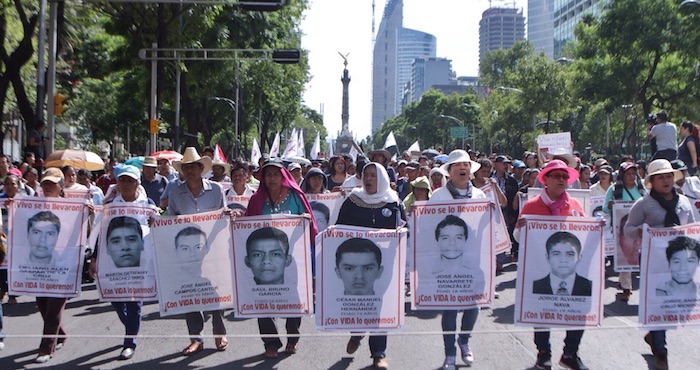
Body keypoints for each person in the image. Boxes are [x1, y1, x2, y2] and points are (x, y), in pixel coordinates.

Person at [624, 159, 700, 370]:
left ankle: (654, 335)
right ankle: (661, 350)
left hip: (682, 261)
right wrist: (639, 231)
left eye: (669, 176)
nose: (666, 181)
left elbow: (695, 228)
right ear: (652, 182)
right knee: (659, 301)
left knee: (678, 303)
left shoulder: (684, 202)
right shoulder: (643, 204)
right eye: (661, 177)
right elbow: (627, 229)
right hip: (653, 262)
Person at [516, 159, 589, 370]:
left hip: (570, 269)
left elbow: (584, 235)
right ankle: (543, 353)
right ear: (545, 180)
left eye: (565, 176)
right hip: (541, 267)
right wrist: (521, 228)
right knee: (541, 308)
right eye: (556, 176)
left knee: (578, 307)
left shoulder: (574, 205)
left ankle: (570, 353)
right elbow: (519, 238)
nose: (561, 180)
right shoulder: (531, 206)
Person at [336, 161, 406, 370]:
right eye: (366, 175)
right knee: (360, 302)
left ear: (382, 178)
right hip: (357, 265)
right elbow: (339, 227)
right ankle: (356, 334)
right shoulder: (353, 200)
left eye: (374, 175)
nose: (368, 179)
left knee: (379, 306)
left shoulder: (393, 202)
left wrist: (401, 234)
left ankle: (378, 354)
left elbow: (405, 227)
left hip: (383, 265)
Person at [245, 159, 318, 358]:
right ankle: (270, 342)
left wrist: (305, 219)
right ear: (262, 177)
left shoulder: (296, 196)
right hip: (264, 261)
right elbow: (246, 228)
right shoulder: (256, 200)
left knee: (293, 296)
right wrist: (236, 218)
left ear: (283, 175)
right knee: (263, 297)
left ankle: (293, 336)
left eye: (276, 174)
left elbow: (310, 226)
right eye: (268, 174)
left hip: (293, 257)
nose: (272, 178)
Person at [166, 147, 228, 356]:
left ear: (201, 168)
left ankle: (219, 332)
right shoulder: (175, 193)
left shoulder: (217, 190)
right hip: (188, 253)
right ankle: (196, 338)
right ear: (182, 171)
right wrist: (157, 224)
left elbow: (224, 216)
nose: (190, 171)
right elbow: (170, 221)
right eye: (186, 168)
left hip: (212, 251)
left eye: (193, 167)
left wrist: (227, 215)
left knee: (215, 291)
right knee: (190, 293)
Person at [90, 164, 154, 360]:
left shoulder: (148, 204)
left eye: (130, 180)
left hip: (140, 263)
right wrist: (93, 258)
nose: (126, 184)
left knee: (135, 302)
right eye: (122, 180)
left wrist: (156, 222)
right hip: (114, 263)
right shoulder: (110, 206)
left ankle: (130, 341)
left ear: (137, 183)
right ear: (117, 184)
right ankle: (130, 326)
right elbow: (100, 233)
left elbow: (160, 226)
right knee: (116, 299)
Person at [429, 150, 485, 370]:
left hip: (474, 259)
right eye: (457, 166)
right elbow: (430, 227)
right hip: (447, 261)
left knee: (474, 305)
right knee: (450, 308)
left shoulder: (480, 196)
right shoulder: (438, 196)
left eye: (466, 165)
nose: (463, 168)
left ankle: (465, 340)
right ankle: (449, 354)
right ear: (449, 172)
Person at [30, 168, 69, 363]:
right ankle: (60, 334)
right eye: (45, 183)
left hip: (61, 267)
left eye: (52, 184)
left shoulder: (72, 208)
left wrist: (86, 215)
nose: (47, 187)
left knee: (54, 308)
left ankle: (46, 348)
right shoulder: (32, 206)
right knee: (43, 306)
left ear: (61, 187)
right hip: (40, 268)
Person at [604, 162, 645, 302]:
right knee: (625, 256)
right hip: (622, 229)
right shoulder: (614, 189)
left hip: (640, 228)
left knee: (641, 256)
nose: (631, 177)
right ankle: (626, 288)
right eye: (628, 174)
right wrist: (610, 206)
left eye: (634, 174)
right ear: (622, 175)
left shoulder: (641, 189)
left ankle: (633, 284)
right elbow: (604, 208)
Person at [532, 232, 592, 296]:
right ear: (547, 257)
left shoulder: (590, 286)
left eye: (570, 254)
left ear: (579, 257)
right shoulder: (534, 286)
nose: (563, 260)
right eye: (556, 254)